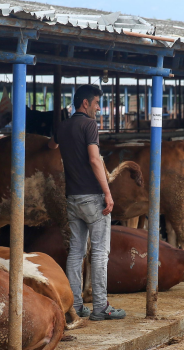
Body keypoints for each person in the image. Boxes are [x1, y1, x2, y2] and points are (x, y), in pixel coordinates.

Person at [48, 84, 126, 321]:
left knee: (76, 253)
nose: (98, 108)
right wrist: (108, 193)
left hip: (72, 198)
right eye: (96, 103)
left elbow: (51, 145)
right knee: (101, 252)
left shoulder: (63, 125)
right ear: (85, 103)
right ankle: (101, 307)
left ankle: (76, 306)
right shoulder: (89, 125)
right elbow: (94, 159)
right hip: (93, 197)